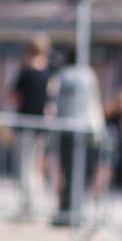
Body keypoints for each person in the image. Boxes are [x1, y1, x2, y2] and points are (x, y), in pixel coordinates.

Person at [49, 45, 104, 227]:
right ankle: (75, 209)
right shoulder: (89, 75)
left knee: (67, 171)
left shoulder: (64, 75)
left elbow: (56, 102)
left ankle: (66, 208)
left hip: (67, 128)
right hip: (86, 129)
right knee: (80, 172)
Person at [10, 36, 52, 220]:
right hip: (41, 125)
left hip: (25, 123)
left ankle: (28, 207)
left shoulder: (25, 72)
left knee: (24, 167)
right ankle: (35, 204)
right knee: (36, 167)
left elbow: (14, 95)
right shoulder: (48, 72)